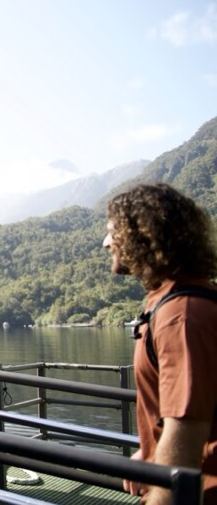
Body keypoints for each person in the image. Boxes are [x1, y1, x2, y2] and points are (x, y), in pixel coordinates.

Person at [106, 183, 217, 505]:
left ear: (141, 235)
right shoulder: (178, 303)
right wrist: (152, 450)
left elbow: (186, 431)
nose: (106, 243)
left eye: (113, 232)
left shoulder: (181, 316)